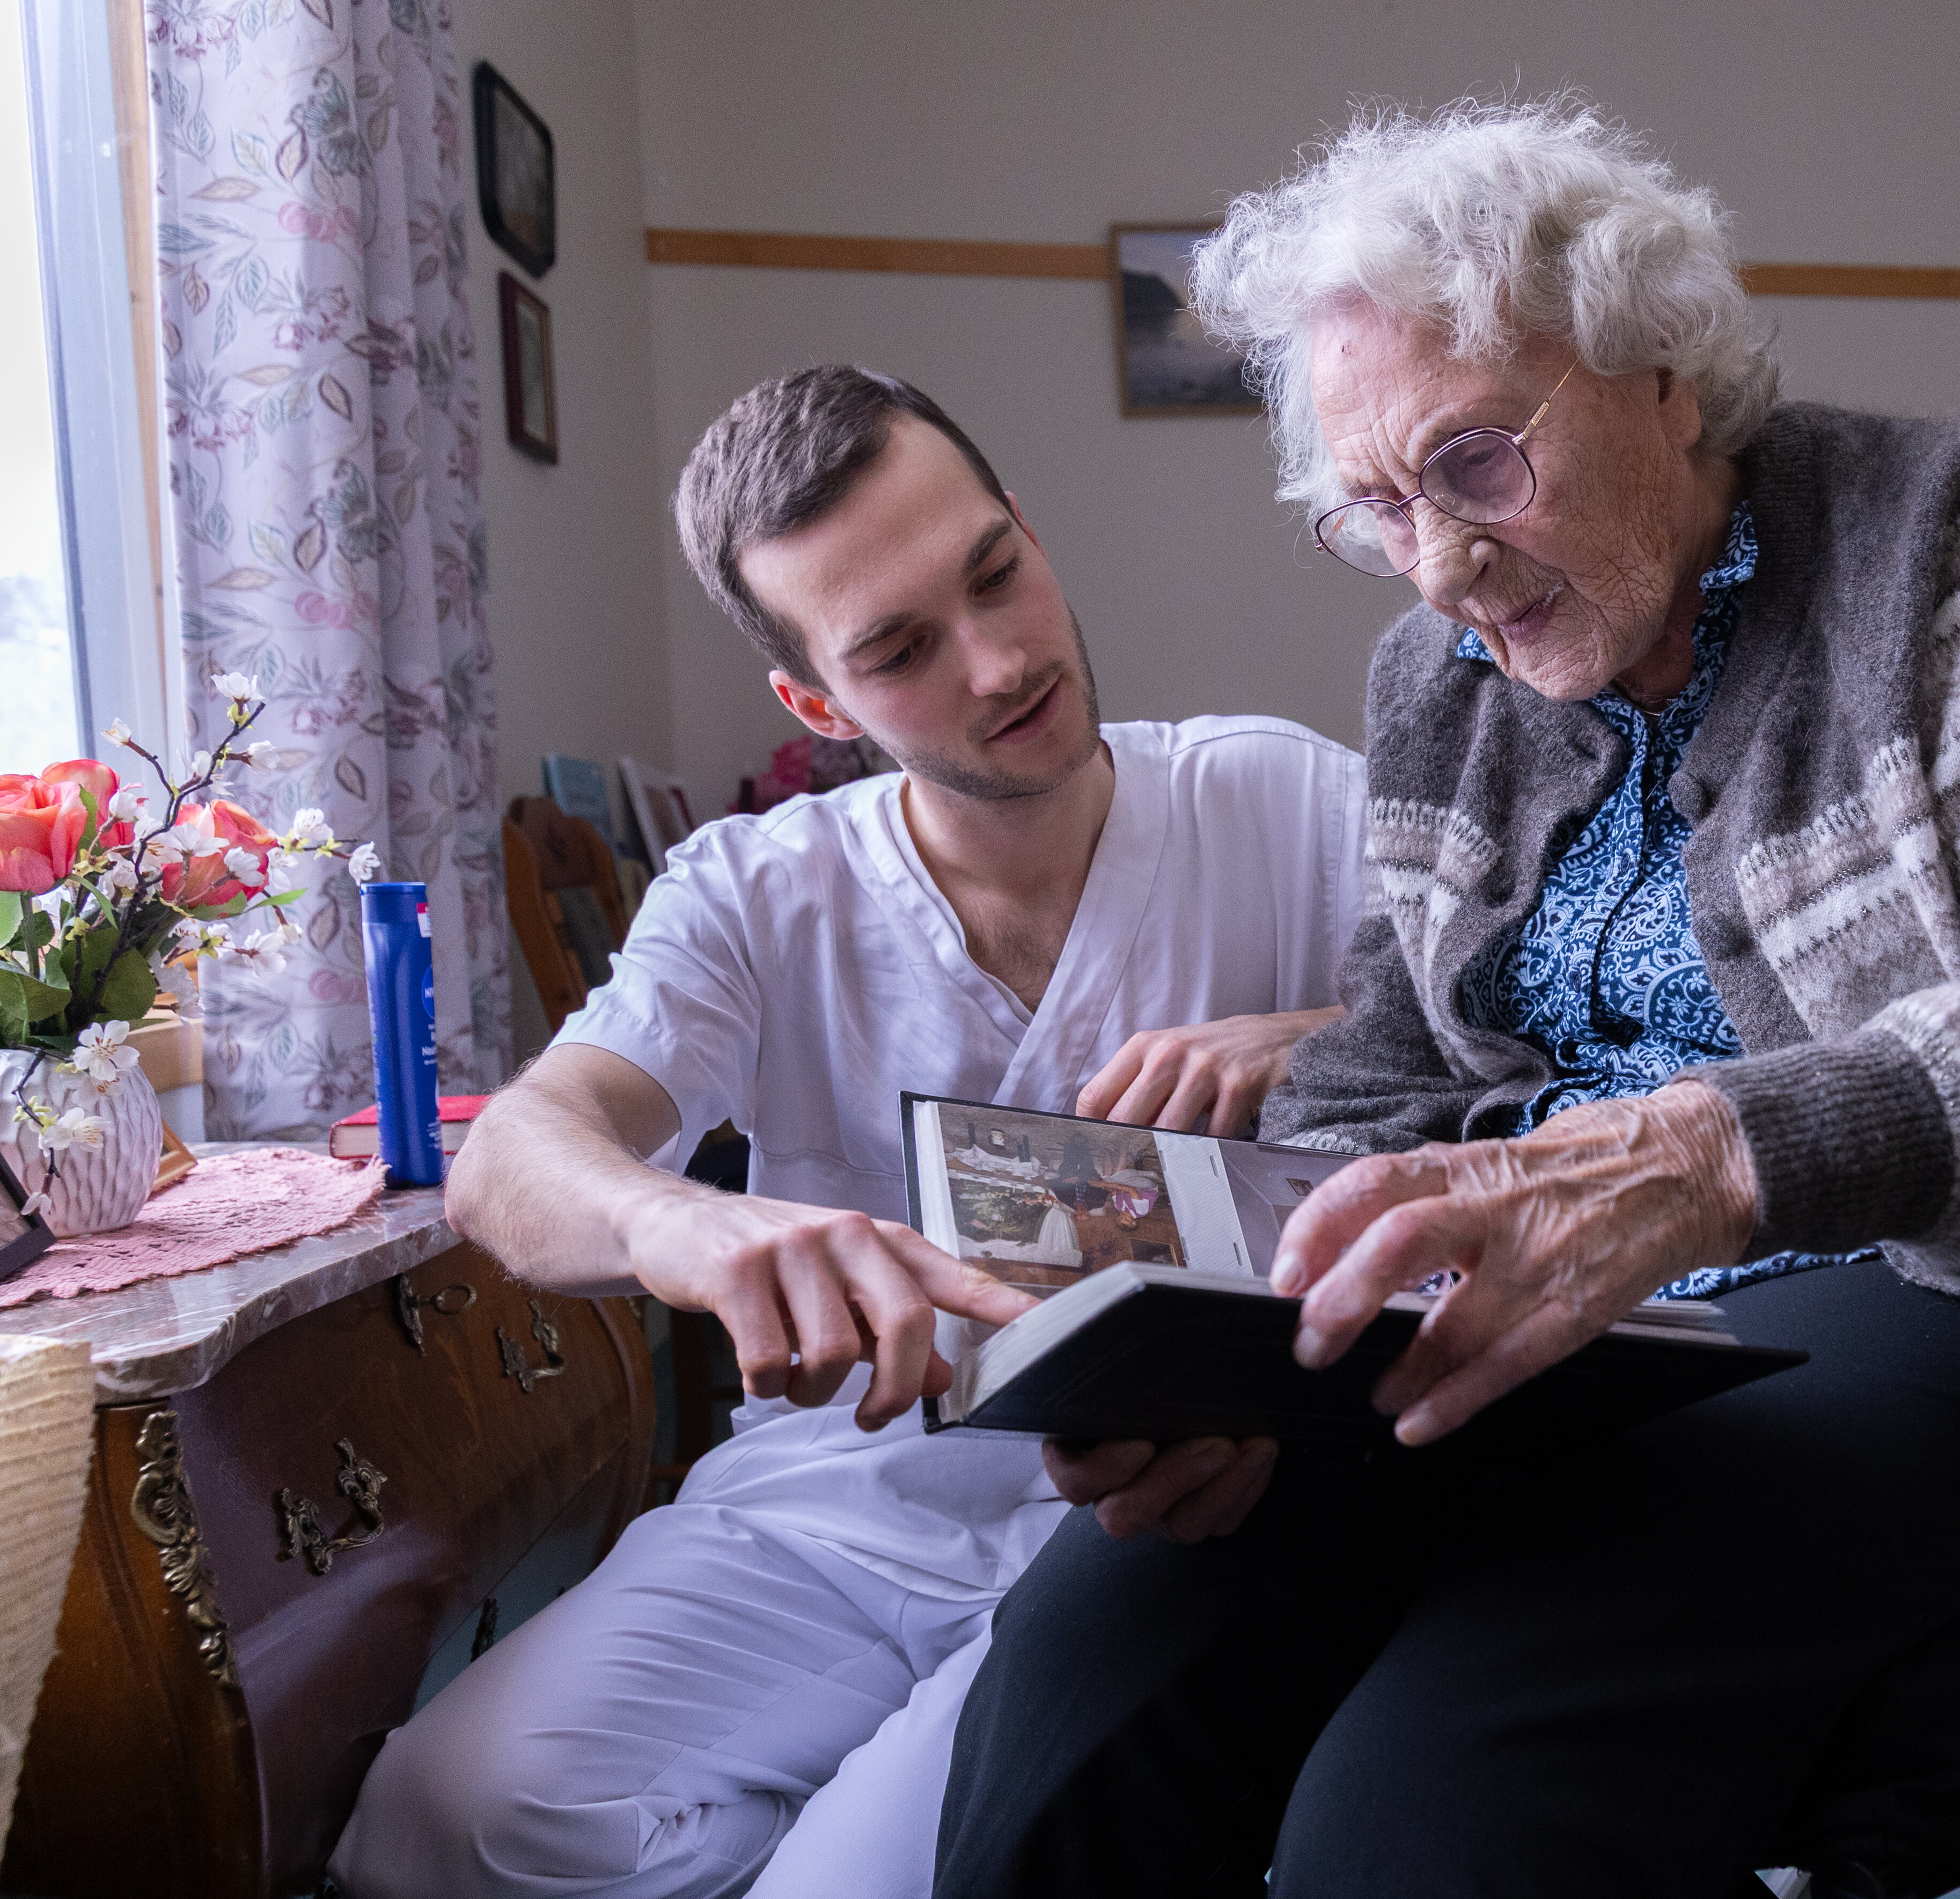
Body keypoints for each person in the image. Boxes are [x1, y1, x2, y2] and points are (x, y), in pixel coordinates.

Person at [933, 98, 1960, 1898]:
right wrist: (1252, 1348)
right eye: (1375, 509)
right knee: (1092, 1661)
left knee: (1429, 1795)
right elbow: (1391, 1065)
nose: (1440, 567)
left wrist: (1725, 1151)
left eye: (1478, 464)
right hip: (1563, 1308)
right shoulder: (1436, 676)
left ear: (1663, 370)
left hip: (1940, 1290)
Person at [329, 366, 1363, 1899]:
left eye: (996, 572)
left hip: (1155, 1517)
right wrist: (686, 1221)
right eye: (899, 649)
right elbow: (512, 1157)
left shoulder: (1275, 799)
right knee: (442, 1818)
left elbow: (1540, 1038)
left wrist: (1322, 1040)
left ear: (1025, 525)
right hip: (839, 1497)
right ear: (817, 705)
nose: (1003, 660)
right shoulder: (754, 888)